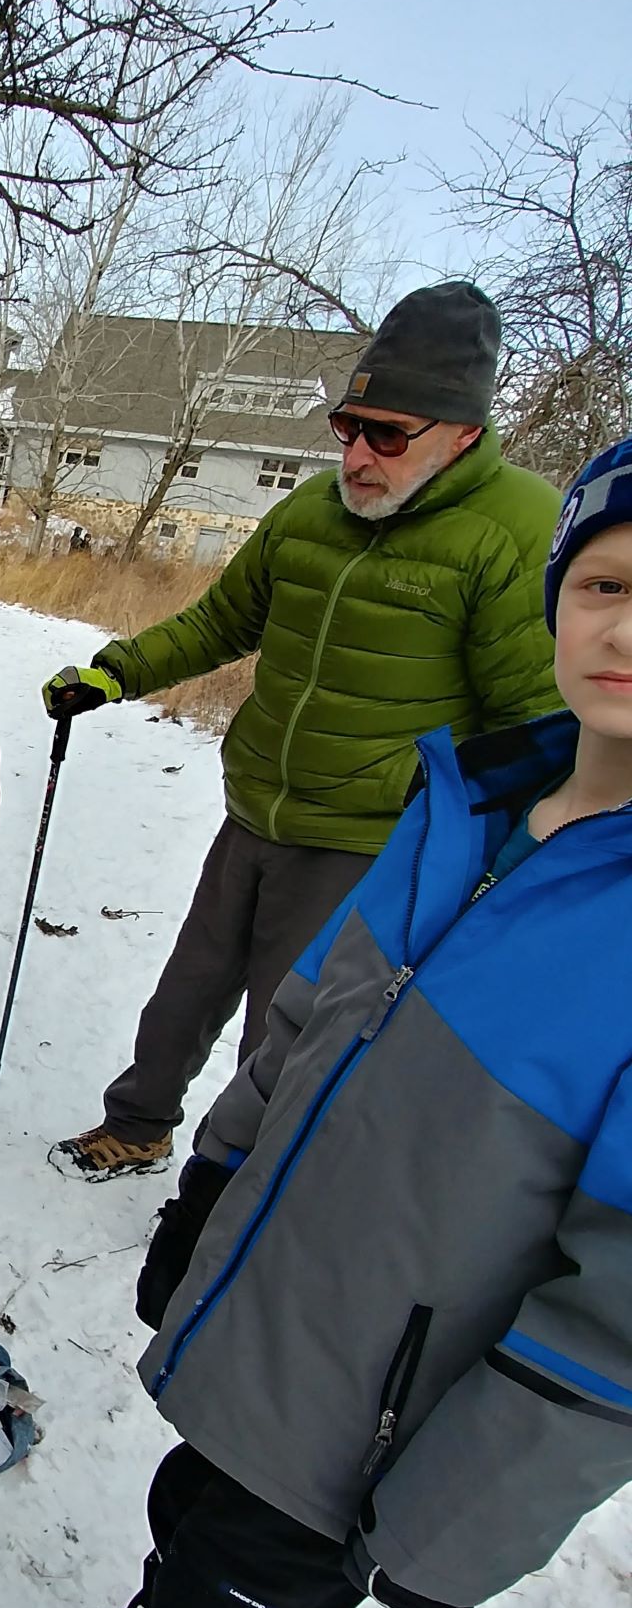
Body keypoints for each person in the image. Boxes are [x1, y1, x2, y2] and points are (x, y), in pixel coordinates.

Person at [22, 436, 632, 1608]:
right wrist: (211, 1186)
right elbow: (300, 1026)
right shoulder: (471, 809)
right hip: (280, 1318)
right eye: (608, 581)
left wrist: (453, 1521)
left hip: (383, 1429)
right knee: (197, 1527)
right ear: (557, 604)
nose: (630, 624)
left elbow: (617, 1322)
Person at [41, 282, 560, 1179]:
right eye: (349, 427)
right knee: (187, 992)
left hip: (370, 840)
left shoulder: (511, 529)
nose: (359, 454)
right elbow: (219, 622)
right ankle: (139, 1124)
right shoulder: (311, 512)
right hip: (257, 809)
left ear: (463, 431)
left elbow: (534, 724)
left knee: (290, 1025)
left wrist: (489, 853)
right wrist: (115, 670)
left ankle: (242, 1177)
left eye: (388, 434)